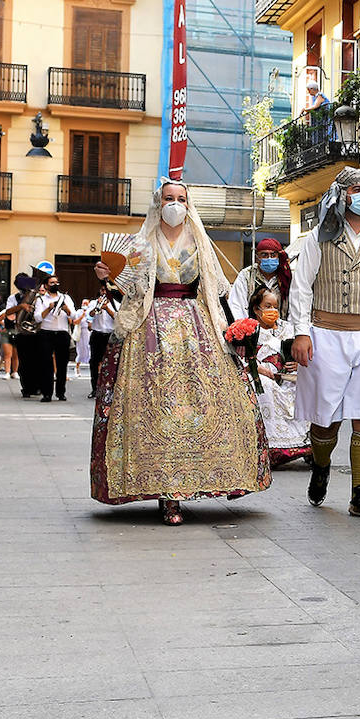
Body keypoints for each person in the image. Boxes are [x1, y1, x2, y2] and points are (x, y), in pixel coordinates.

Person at [89, 179, 270, 525]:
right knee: (156, 410)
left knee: (205, 407)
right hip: (149, 329)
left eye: (181, 199)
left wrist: (231, 330)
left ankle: (200, 480)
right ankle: (166, 493)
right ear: (159, 203)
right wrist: (108, 277)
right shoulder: (141, 242)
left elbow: (215, 291)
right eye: (169, 198)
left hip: (197, 328)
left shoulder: (201, 243)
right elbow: (131, 287)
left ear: (189, 204)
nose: (175, 204)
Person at [290, 167, 360, 518]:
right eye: (357, 188)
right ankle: (321, 466)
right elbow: (302, 286)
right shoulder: (319, 238)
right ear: (342, 195)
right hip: (326, 334)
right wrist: (301, 331)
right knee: (326, 420)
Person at [251, 287, 310, 468]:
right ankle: (273, 446)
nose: (272, 311)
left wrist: (299, 364)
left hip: (289, 376)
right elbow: (243, 358)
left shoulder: (288, 329)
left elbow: (303, 352)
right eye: (267, 306)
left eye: (275, 306)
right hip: (263, 374)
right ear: (256, 309)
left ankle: (306, 443)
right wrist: (260, 369)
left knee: (307, 385)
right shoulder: (250, 330)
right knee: (265, 387)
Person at [34, 275, 75, 402]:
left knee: (62, 364)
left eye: (57, 282)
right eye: (52, 283)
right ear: (46, 286)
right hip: (46, 333)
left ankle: (61, 392)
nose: (55, 284)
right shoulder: (41, 300)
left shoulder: (66, 297)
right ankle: (47, 393)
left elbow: (73, 315)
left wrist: (66, 309)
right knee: (46, 364)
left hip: (62, 333)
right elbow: (37, 318)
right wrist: (49, 308)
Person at [228, 237, 290, 322]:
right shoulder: (246, 275)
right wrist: (244, 328)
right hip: (253, 328)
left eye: (273, 255)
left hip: (281, 329)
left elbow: (294, 306)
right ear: (257, 258)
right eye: (264, 255)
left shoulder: (286, 277)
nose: (269, 258)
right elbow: (236, 305)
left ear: (278, 257)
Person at [86, 284, 119, 399]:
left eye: (106, 290)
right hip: (97, 335)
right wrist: (97, 308)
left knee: (111, 362)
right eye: (102, 290)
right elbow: (89, 315)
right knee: (94, 362)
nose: (104, 292)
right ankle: (95, 389)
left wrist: (107, 308)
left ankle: (109, 388)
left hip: (110, 336)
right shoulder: (93, 303)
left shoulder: (116, 303)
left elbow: (118, 318)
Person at [74, 298, 93, 379]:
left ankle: (93, 371)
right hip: (81, 332)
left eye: (86, 303)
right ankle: (77, 368)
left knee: (89, 349)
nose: (84, 305)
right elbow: (75, 322)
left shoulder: (91, 312)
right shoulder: (79, 312)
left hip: (89, 332)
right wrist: (82, 315)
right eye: (83, 303)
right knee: (80, 350)